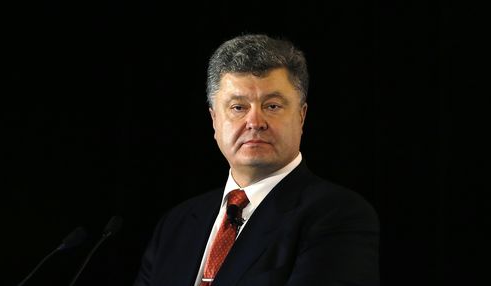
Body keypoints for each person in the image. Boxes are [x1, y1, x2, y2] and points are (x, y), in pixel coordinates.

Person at [132, 33, 380, 286]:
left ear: (301, 117)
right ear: (214, 120)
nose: (255, 122)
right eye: (238, 107)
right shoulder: (176, 225)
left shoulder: (337, 215)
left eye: (272, 106)